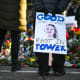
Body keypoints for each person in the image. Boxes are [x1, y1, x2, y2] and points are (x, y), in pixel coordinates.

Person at [32, 0, 71, 77]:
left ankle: (43, 69)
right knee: (58, 43)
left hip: (41, 14)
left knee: (42, 42)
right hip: (58, 15)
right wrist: (59, 8)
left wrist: (40, 8)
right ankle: (58, 69)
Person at [0, 0, 27, 71]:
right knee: (15, 41)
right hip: (17, 14)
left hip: (2, 12)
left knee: (0, 38)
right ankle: (14, 65)